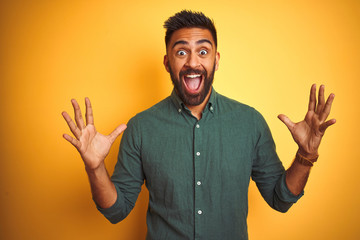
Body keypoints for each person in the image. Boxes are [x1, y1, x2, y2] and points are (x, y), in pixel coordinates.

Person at [62, 10, 336, 240]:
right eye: (182, 52)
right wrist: (95, 167)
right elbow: (116, 210)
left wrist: (306, 155)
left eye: (203, 51)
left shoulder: (250, 122)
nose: (193, 62)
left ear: (215, 60)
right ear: (168, 62)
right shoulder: (141, 128)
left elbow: (281, 199)